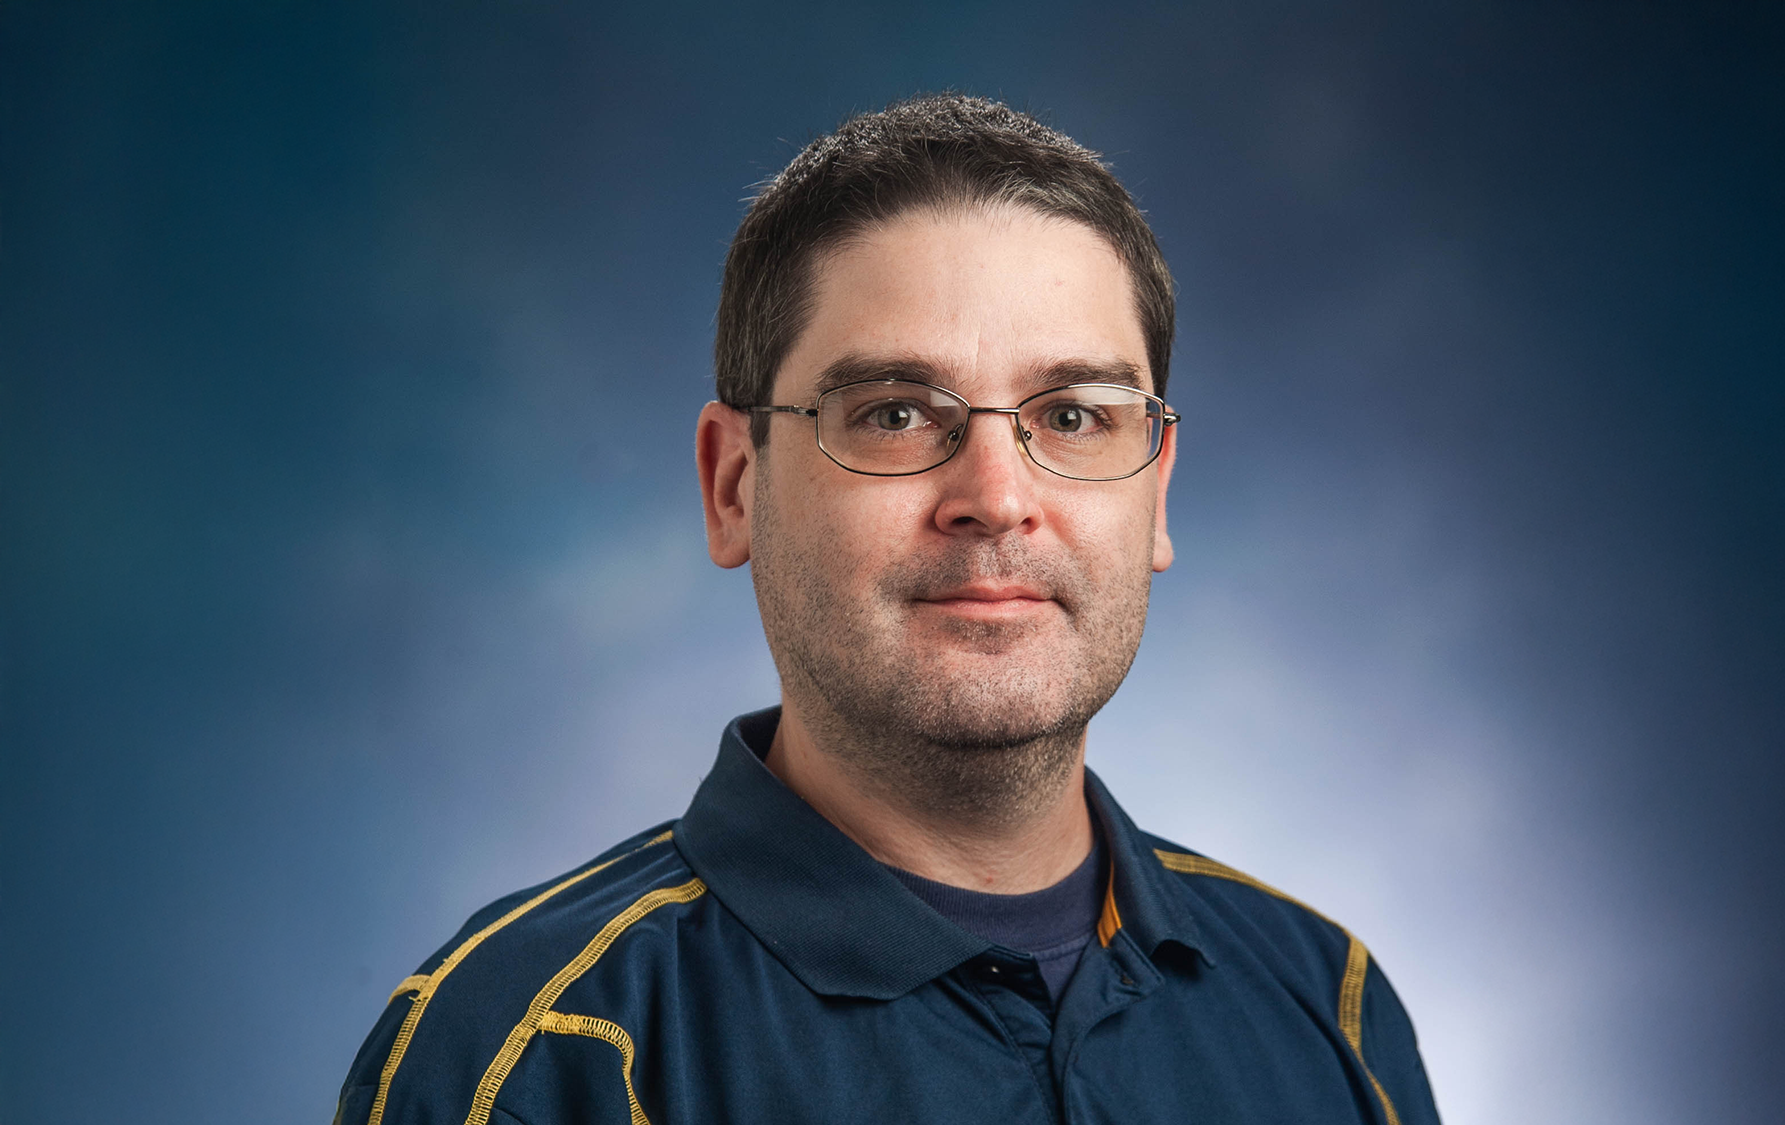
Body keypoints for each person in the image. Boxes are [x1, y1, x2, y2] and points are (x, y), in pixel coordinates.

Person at [336, 93, 1441, 1125]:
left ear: (1154, 493)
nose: (996, 499)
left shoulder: (1327, 1010)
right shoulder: (536, 1056)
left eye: (1072, 416)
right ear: (733, 487)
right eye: (896, 413)